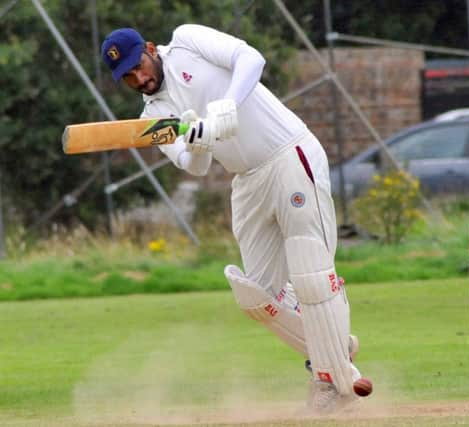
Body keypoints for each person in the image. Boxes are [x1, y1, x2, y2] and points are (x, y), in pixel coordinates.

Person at [101, 24, 370, 413]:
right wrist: (198, 141)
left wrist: (227, 104)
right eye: (127, 76)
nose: (139, 78)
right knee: (257, 297)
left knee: (310, 272)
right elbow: (195, 166)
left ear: (150, 48)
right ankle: (330, 343)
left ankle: (328, 381)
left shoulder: (188, 41)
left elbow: (251, 58)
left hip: (287, 153)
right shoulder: (154, 117)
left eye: (138, 65)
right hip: (247, 180)